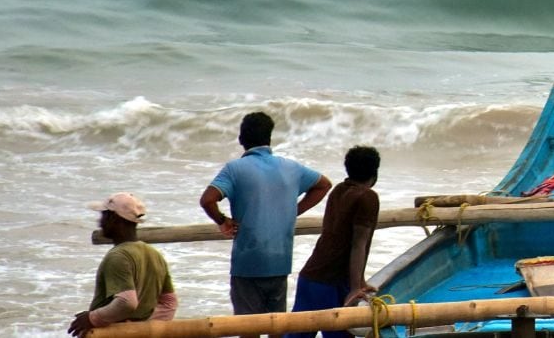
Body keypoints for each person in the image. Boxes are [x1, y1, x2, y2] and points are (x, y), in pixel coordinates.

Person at [200, 111, 332, 324]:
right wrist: (293, 211)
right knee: (276, 325)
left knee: (247, 327)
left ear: (242, 139)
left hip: (247, 263)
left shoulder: (234, 169)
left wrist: (223, 221)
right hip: (279, 260)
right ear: (269, 138)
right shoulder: (292, 167)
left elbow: (207, 200)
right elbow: (324, 184)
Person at [285, 146, 382, 338]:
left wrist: (359, 281)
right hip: (329, 285)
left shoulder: (339, 190)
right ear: (374, 172)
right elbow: (358, 243)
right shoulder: (368, 197)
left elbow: (339, 237)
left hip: (311, 277)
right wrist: (356, 288)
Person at [69, 193, 178, 336]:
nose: (100, 222)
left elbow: (127, 302)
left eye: (104, 216)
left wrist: (92, 318)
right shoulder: (154, 254)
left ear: (114, 219)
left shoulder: (118, 256)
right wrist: (143, 330)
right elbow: (170, 303)